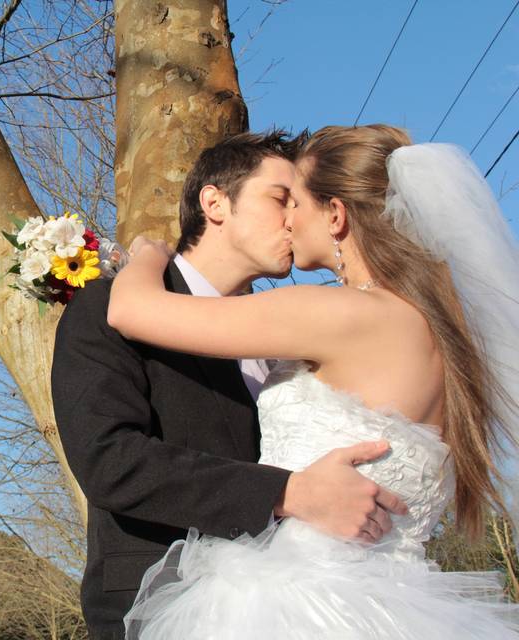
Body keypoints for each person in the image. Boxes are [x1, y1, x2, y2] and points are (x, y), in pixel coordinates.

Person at [108, 124, 519, 638]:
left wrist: (149, 253)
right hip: (398, 602)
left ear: (336, 215)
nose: (286, 220)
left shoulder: (336, 313)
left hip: (299, 601)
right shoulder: (444, 334)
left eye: (294, 203)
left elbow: (130, 309)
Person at [50, 130, 411, 640]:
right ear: (215, 202)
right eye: (279, 198)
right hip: (159, 604)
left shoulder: (295, 333)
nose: (293, 218)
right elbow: (110, 461)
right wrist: (288, 492)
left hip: (305, 606)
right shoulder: (106, 307)